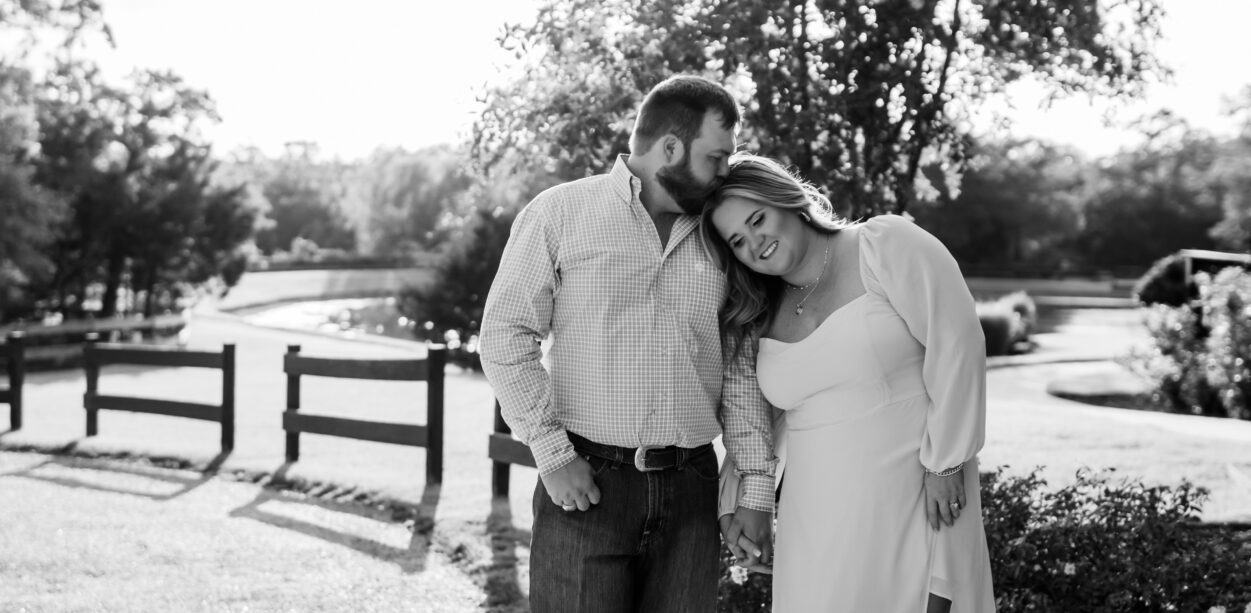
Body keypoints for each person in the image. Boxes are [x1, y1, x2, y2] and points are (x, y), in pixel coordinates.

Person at [479, 75, 777, 613]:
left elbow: (738, 366)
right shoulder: (558, 214)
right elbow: (505, 336)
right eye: (716, 156)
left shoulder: (720, 237)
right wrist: (551, 454)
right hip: (587, 485)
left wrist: (755, 489)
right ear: (670, 148)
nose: (725, 172)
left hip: (691, 490)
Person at [705, 154, 996, 612]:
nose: (754, 243)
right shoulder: (758, 314)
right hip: (815, 526)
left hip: (914, 500)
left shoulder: (884, 245)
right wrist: (741, 501)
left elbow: (957, 343)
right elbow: (757, 420)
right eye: (738, 241)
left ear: (787, 199)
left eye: (757, 219)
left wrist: (946, 464)